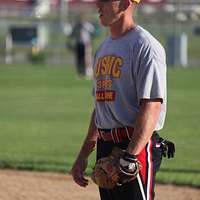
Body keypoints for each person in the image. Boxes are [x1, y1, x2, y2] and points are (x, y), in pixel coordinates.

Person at [71, 0, 171, 199]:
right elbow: (100, 107)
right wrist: (84, 154)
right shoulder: (103, 49)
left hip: (134, 145)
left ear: (126, 3)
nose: (98, 5)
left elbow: (151, 106)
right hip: (105, 146)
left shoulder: (145, 47)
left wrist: (131, 155)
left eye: (105, 1)